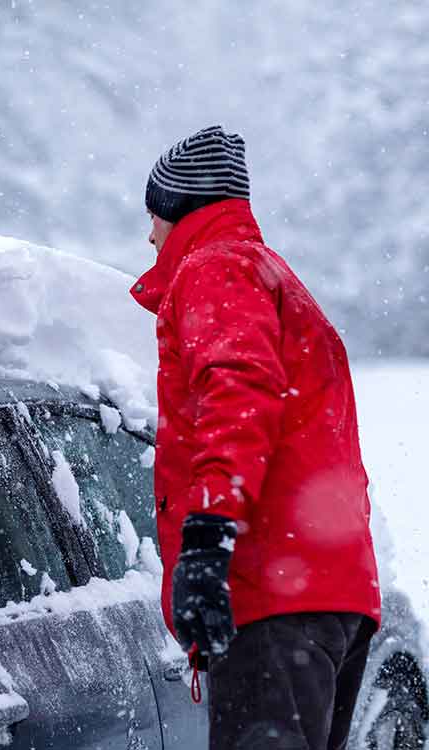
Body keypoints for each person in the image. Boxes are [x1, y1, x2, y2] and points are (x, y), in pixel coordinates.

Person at [130, 125, 381, 750]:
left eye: (154, 216)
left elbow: (239, 399)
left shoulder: (216, 270)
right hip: (326, 591)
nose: (149, 236)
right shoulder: (273, 276)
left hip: (272, 594)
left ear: (181, 209)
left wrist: (208, 542)